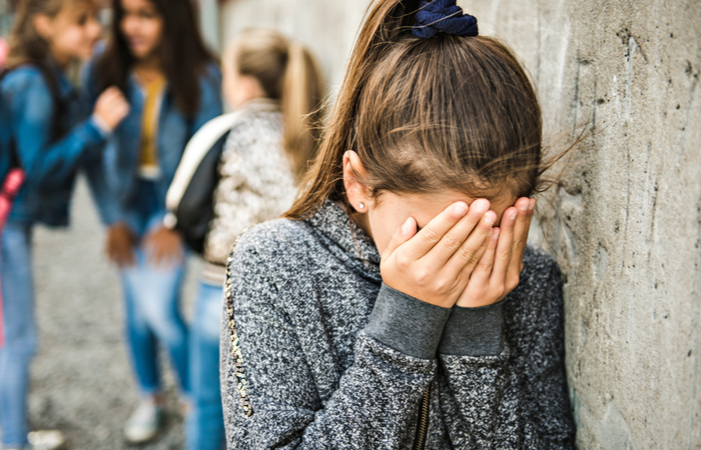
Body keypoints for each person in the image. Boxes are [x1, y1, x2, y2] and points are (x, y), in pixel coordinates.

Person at [219, 0, 576, 448]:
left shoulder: (529, 278)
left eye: (483, 229)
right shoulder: (274, 264)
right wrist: (405, 323)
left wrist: (477, 332)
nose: (456, 257)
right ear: (358, 184)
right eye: (433, 235)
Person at [0, 0, 130, 449]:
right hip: (5, 226)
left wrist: (112, 218)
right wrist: (97, 127)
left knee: (0, 328)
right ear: (44, 24)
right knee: (19, 339)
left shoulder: (53, 74)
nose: (94, 30)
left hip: (2, 221)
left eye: (96, 19)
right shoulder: (33, 83)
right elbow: (39, 168)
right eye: (81, 21)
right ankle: (11, 441)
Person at [164, 28, 323, 450]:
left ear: (246, 84)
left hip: (221, 289)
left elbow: (181, 208)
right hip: (296, 294)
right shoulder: (316, 134)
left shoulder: (223, 131)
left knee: (209, 407)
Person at [80, 0, 222, 444]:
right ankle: (151, 396)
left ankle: (196, 398)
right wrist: (112, 219)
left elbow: (207, 155)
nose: (132, 26)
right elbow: (90, 153)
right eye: (125, 14)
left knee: (160, 310)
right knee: (136, 312)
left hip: (171, 202)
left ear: (173, 16)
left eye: (146, 14)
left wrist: (175, 221)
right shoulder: (103, 69)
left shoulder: (202, 74)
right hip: (126, 202)